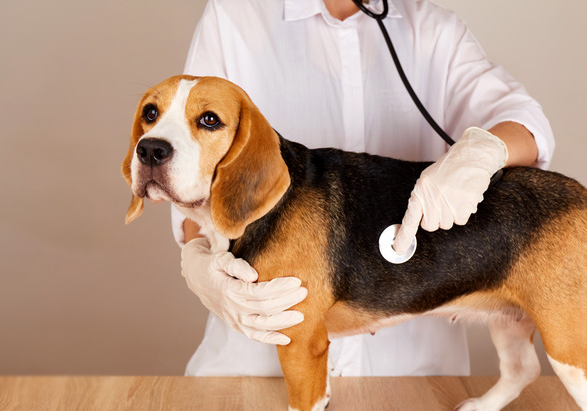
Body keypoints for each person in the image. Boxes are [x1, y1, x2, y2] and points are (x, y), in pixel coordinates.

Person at [174, 0, 555, 377]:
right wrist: (200, 262)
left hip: (410, 373)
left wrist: (481, 153)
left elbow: (527, 122)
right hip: (258, 361)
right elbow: (189, 170)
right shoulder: (234, 17)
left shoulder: (434, 28)